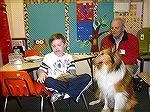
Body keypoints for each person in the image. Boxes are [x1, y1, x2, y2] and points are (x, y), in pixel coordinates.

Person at [37, 33, 92, 103]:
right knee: (48, 81)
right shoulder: (48, 57)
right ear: (51, 46)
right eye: (53, 46)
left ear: (65, 45)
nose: (56, 48)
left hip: (68, 81)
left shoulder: (69, 57)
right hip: (56, 82)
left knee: (87, 77)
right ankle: (71, 92)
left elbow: (72, 72)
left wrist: (68, 76)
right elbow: (41, 69)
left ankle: (64, 94)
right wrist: (41, 73)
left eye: (59, 45)